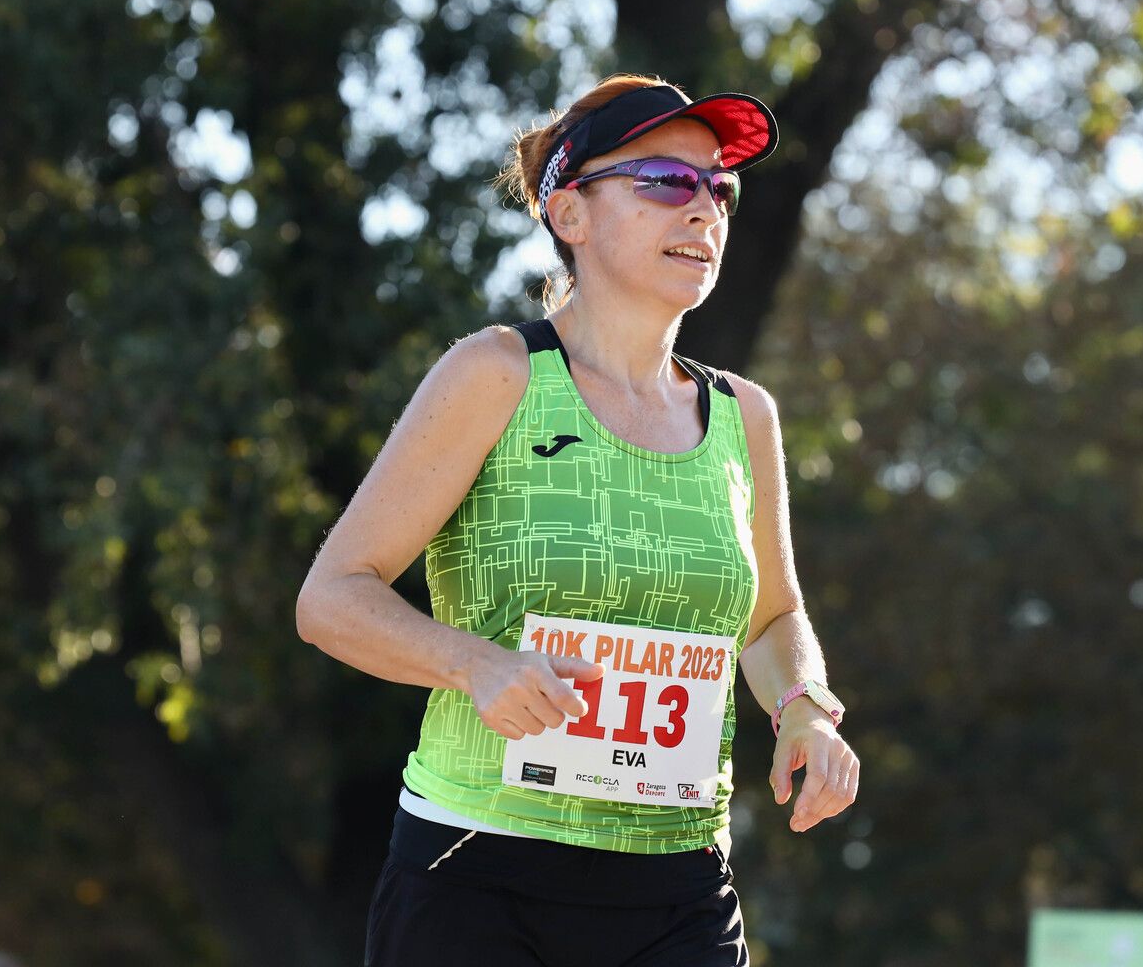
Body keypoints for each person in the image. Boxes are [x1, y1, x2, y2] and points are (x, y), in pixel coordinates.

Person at [297, 74, 860, 966]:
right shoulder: (497, 374)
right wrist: (473, 664)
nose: (703, 211)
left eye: (720, 189)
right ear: (571, 215)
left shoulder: (747, 416)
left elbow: (772, 618)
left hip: (678, 885)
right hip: (476, 871)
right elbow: (331, 598)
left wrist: (803, 710)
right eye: (667, 183)